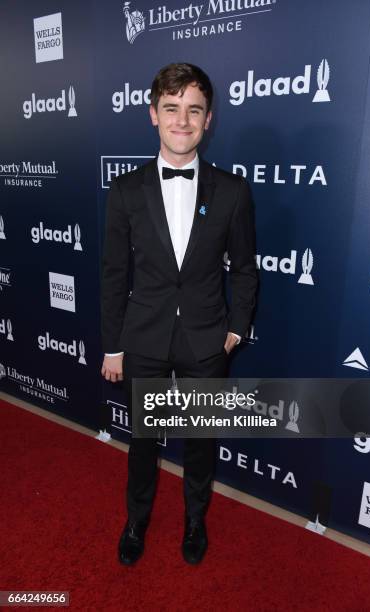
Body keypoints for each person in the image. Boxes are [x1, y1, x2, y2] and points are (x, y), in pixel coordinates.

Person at [100, 63, 257, 565]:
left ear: (208, 119)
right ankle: (137, 520)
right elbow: (112, 273)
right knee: (143, 443)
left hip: (206, 342)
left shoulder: (233, 191)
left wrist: (235, 328)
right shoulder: (125, 190)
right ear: (153, 115)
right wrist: (113, 345)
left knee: (199, 444)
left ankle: (195, 520)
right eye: (172, 109)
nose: (182, 121)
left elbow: (246, 270)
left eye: (194, 110)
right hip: (143, 340)